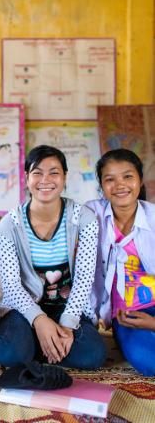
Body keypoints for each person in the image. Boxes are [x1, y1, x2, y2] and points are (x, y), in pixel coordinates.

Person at [0, 145, 106, 371]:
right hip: (25, 308)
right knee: (10, 355)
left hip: (67, 307)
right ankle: (37, 341)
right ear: (26, 178)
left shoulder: (84, 219)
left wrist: (68, 325)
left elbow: (84, 280)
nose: (45, 179)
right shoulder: (10, 224)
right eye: (37, 172)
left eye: (54, 172)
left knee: (93, 356)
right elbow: (11, 286)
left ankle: (40, 345)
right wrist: (39, 320)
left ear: (65, 177)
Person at [86, 149, 155, 376]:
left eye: (127, 176)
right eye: (110, 179)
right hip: (127, 314)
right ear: (102, 186)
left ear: (139, 180)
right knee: (148, 362)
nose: (120, 185)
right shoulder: (91, 215)